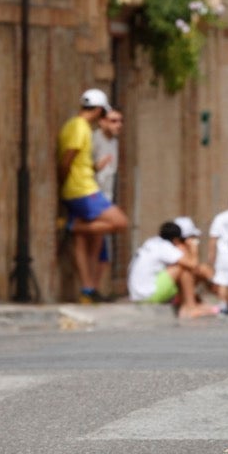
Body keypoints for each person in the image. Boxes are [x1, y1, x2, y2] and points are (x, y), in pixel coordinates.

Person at [57, 90, 130, 303]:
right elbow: (67, 159)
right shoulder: (81, 128)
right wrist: (65, 182)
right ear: (98, 110)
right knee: (120, 222)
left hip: (81, 188)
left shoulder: (75, 126)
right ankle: (70, 225)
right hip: (83, 189)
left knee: (85, 242)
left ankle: (88, 289)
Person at [126, 218, 219, 318]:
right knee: (183, 269)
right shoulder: (165, 247)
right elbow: (193, 264)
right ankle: (189, 307)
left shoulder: (153, 242)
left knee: (192, 269)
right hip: (148, 294)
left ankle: (194, 303)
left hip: (139, 293)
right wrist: (194, 249)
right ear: (177, 239)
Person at [91, 108, 123, 279]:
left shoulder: (114, 143)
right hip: (94, 196)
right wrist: (96, 167)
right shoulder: (94, 139)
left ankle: (93, 290)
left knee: (103, 254)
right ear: (101, 121)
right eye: (113, 120)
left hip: (106, 198)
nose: (118, 125)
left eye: (120, 121)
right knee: (119, 224)